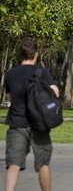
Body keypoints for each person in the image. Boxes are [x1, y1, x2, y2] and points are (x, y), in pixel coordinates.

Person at [4, 38, 60, 191]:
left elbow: (10, 99)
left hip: (17, 122)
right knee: (43, 163)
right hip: (39, 123)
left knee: (13, 164)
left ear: (20, 55)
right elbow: (55, 92)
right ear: (36, 54)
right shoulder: (41, 72)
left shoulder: (10, 74)